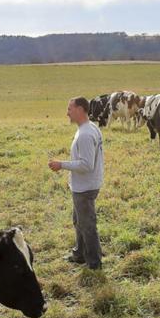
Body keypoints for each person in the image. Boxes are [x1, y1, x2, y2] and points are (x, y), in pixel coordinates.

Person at [48, 96, 104, 269]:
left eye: (70, 108)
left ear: (80, 109)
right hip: (84, 185)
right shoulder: (89, 128)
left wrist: (61, 165)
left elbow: (87, 165)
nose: (67, 113)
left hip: (85, 187)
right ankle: (79, 254)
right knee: (79, 221)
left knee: (87, 226)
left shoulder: (86, 134)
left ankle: (94, 264)